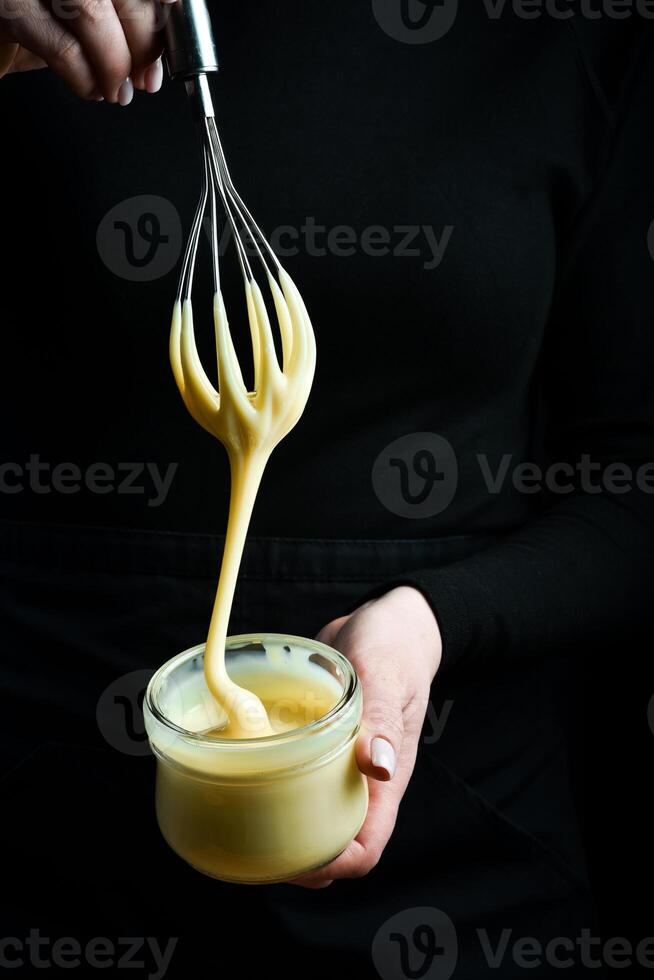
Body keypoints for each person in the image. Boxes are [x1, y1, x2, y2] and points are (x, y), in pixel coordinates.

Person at [1, 2, 653, 976]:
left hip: (461, 851)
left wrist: (437, 620)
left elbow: (633, 486)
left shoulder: (577, 30)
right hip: (44, 827)